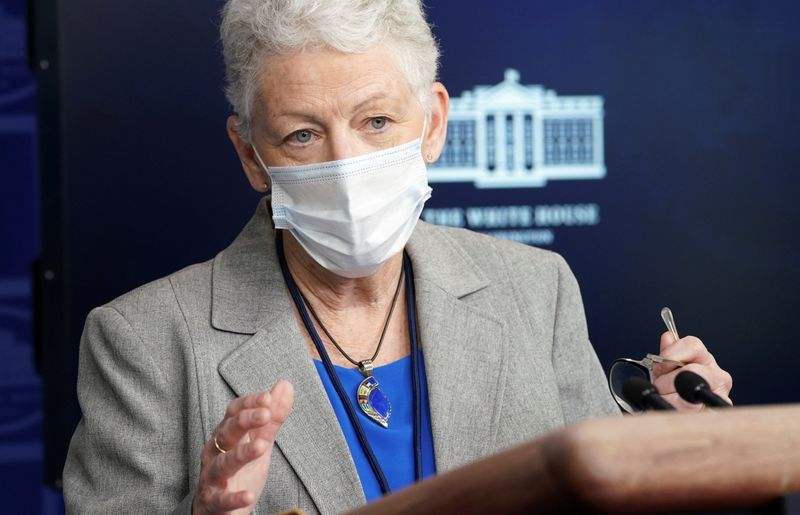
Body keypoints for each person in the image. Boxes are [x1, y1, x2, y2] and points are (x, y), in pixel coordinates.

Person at [62, 1, 733, 513]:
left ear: (434, 124)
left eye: (376, 122)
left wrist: (673, 447)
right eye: (302, 134)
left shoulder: (535, 287)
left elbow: (601, 496)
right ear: (250, 156)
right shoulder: (143, 339)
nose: (346, 165)